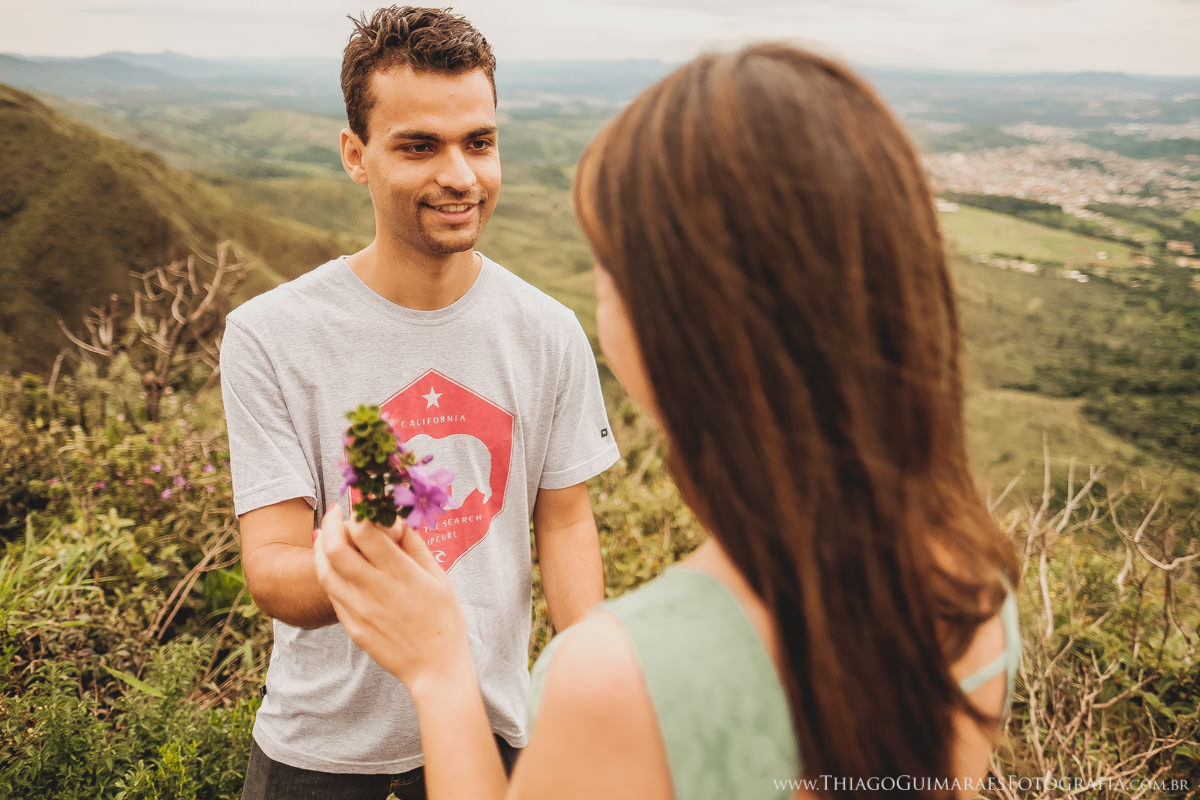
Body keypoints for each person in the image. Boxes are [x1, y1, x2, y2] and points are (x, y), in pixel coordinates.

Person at [313, 42, 1022, 800]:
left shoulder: (620, 680)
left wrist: (440, 671)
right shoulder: (972, 592)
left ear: (676, 319)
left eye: (608, 263)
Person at [219, 6, 620, 799]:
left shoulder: (547, 330)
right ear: (355, 155)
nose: (461, 176)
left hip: (498, 735)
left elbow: (565, 521)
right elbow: (271, 569)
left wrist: (592, 696)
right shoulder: (271, 335)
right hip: (322, 758)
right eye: (419, 146)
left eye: (479, 142)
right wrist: (376, 564)